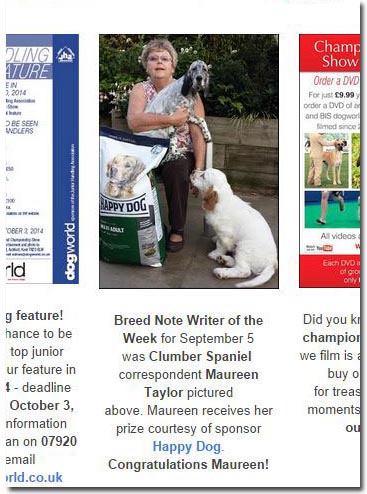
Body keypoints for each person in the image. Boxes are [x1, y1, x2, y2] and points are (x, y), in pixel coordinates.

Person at [127, 39, 206, 252]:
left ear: (173, 66)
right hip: (147, 149)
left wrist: (199, 169)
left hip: (179, 151)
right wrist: (171, 120)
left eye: (165, 59)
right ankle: (136, 224)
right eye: (153, 58)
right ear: (147, 65)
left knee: (177, 168)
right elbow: (135, 122)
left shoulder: (189, 89)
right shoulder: (140, 90)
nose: (159, 62)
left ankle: (177, 229)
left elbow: (198, 134)